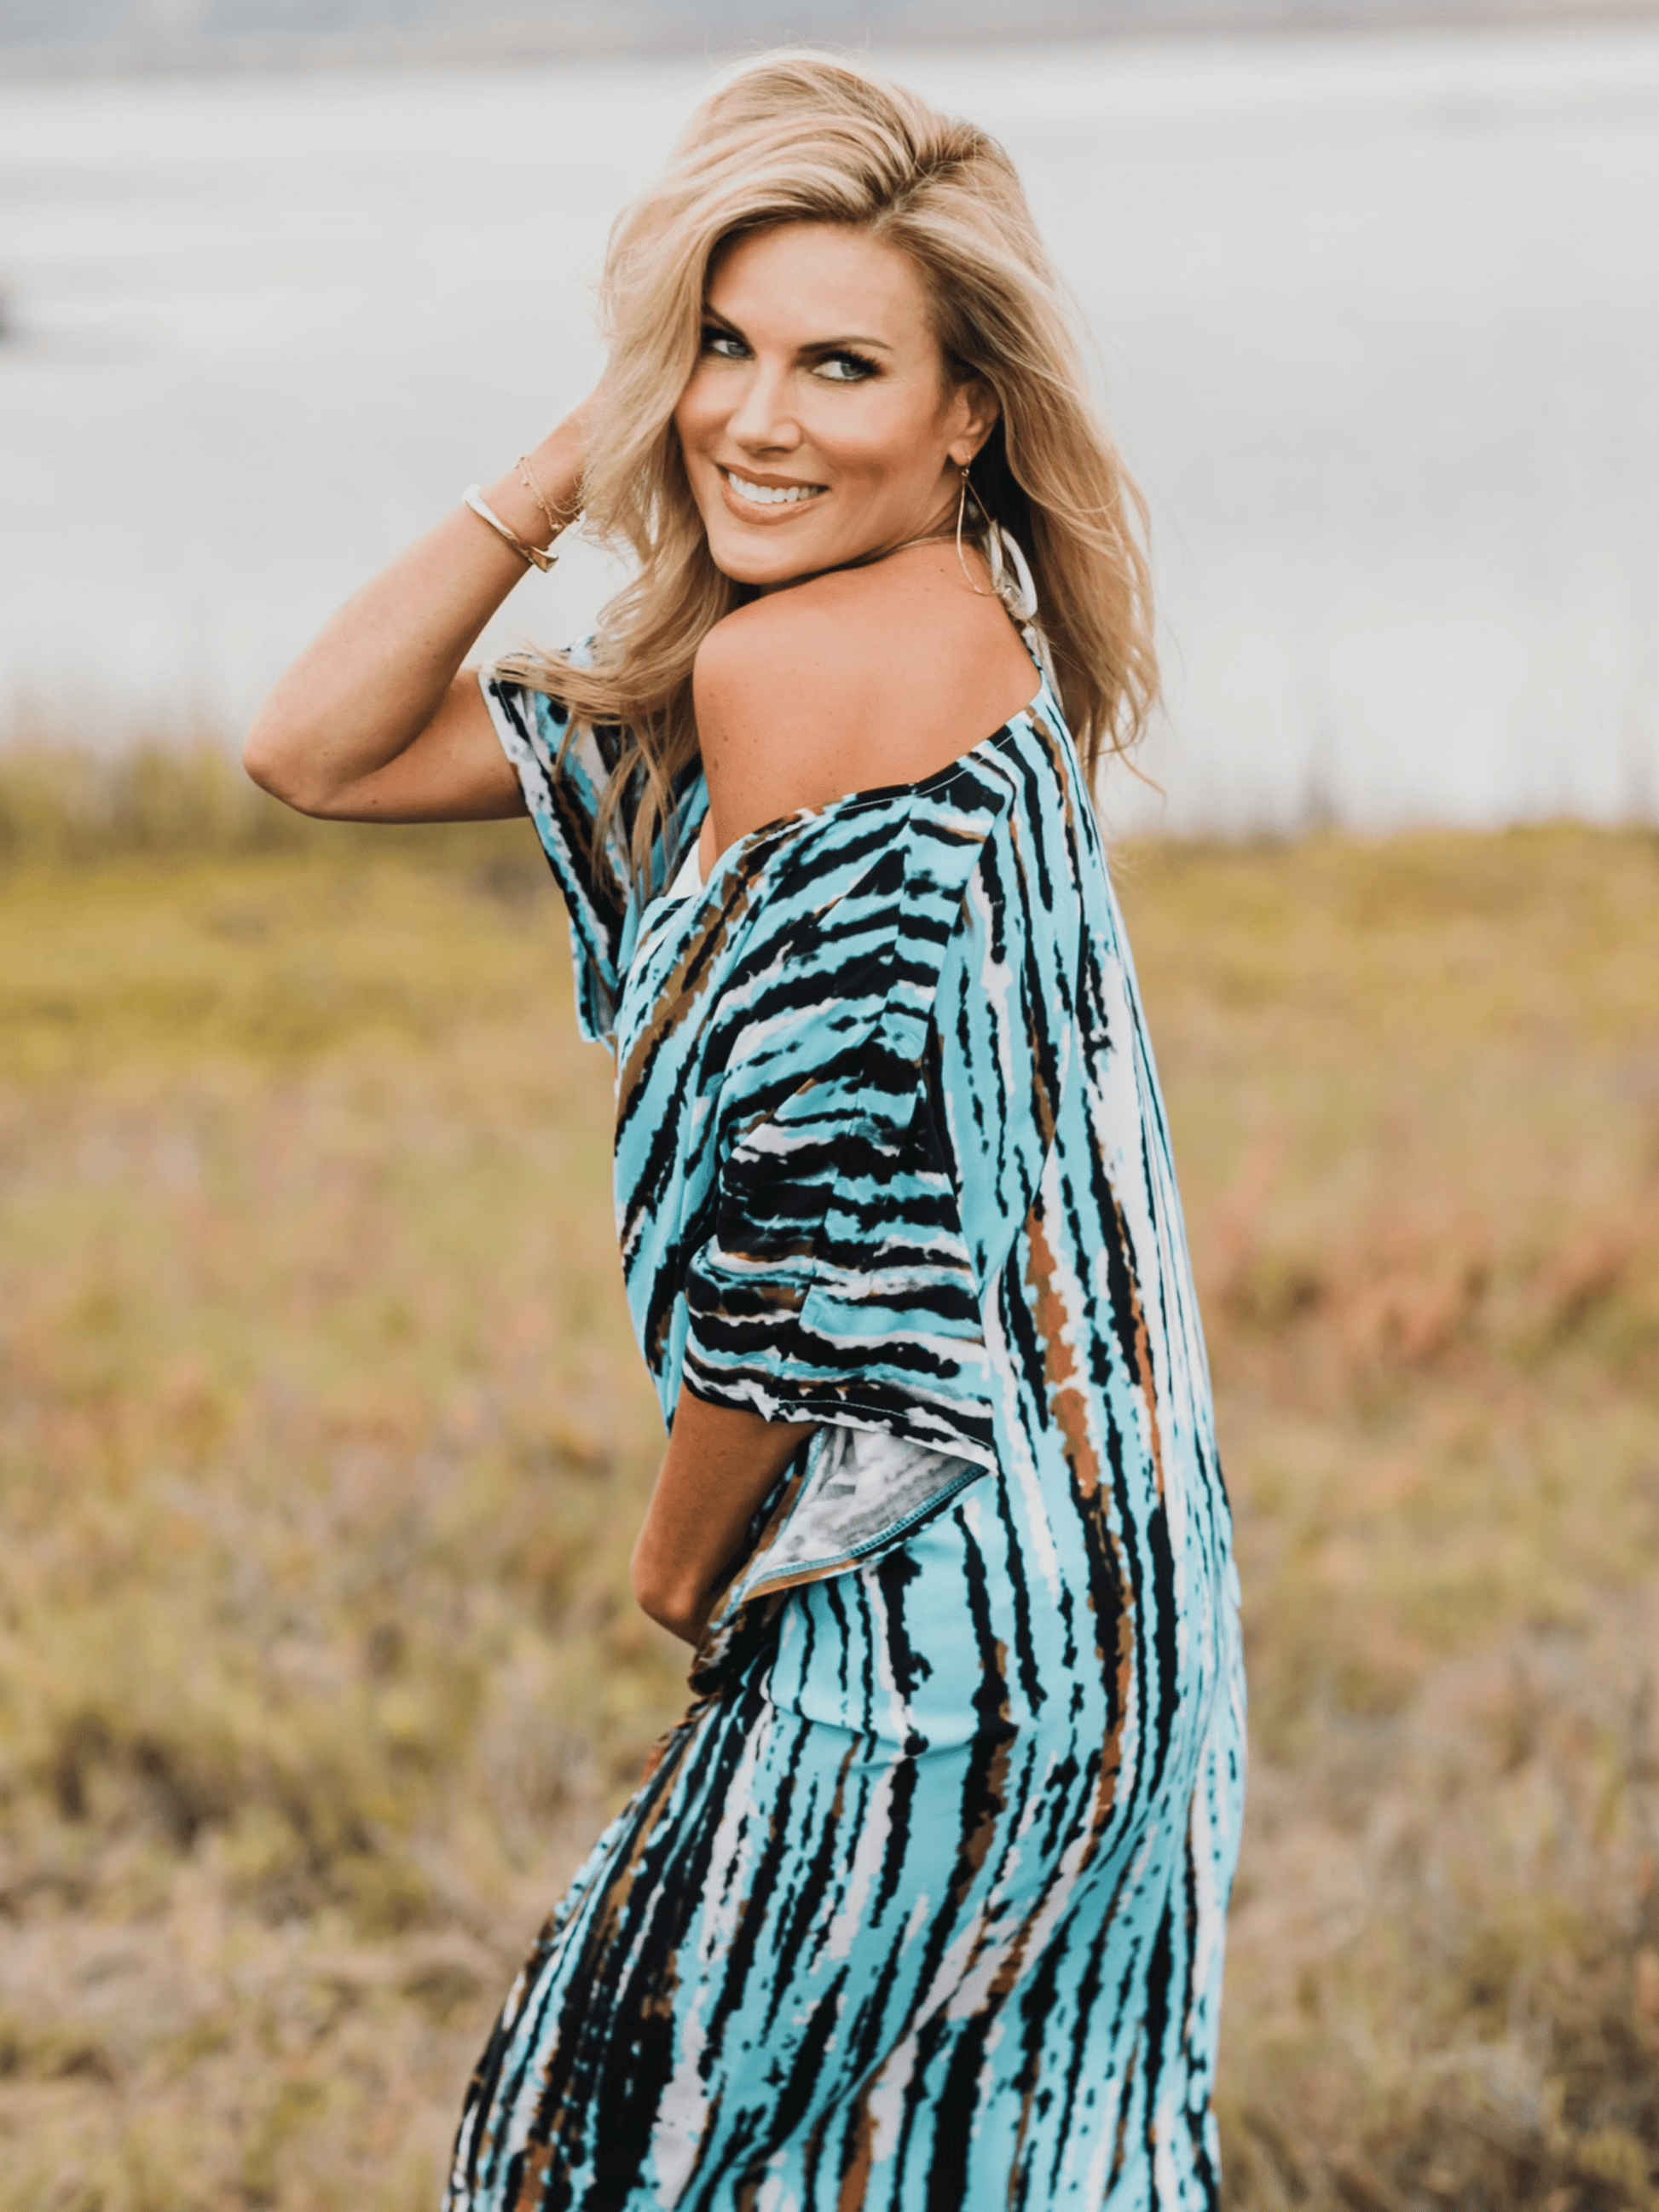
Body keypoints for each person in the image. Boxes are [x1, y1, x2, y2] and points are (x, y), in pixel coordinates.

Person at [246, 50, 1245, 2211]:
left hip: (931, 1605)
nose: (761, 416)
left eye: (840, 365)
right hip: (1121, 1583)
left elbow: (812, 1256)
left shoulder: (816, 680)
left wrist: (676, 1559)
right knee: (987, 2159)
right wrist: (584, 456)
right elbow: (311, 747)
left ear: (967, 408)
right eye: (723, 344)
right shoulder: (919, 631)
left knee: (598, 2151)